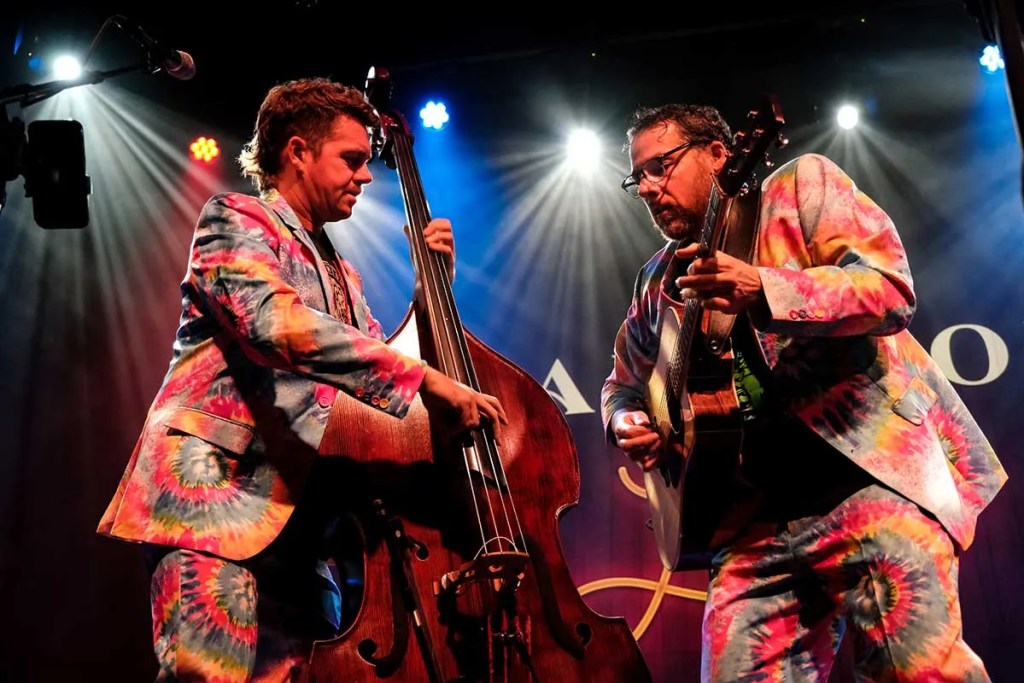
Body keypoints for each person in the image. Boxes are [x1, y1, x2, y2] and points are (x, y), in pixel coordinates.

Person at [97, 77, 506, 682]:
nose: (366, 176)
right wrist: (426, 379)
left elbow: (373, 371)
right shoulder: (233, 218)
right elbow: (274, 323)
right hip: (216, 502)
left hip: (303, 527)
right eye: (352, 159)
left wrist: (429, 300)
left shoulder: (343, 272)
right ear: (297, 151)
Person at [601, 103, 1007, 682]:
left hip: (868, 487)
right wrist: (625, 421)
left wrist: (762, 287)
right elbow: (622, 384)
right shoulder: (655, 281)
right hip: (751, 526)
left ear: (719, 154)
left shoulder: (797, 188)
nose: (646, 187)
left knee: (921, 675)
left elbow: (890, 290)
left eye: (660, 166)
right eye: (636, 177)